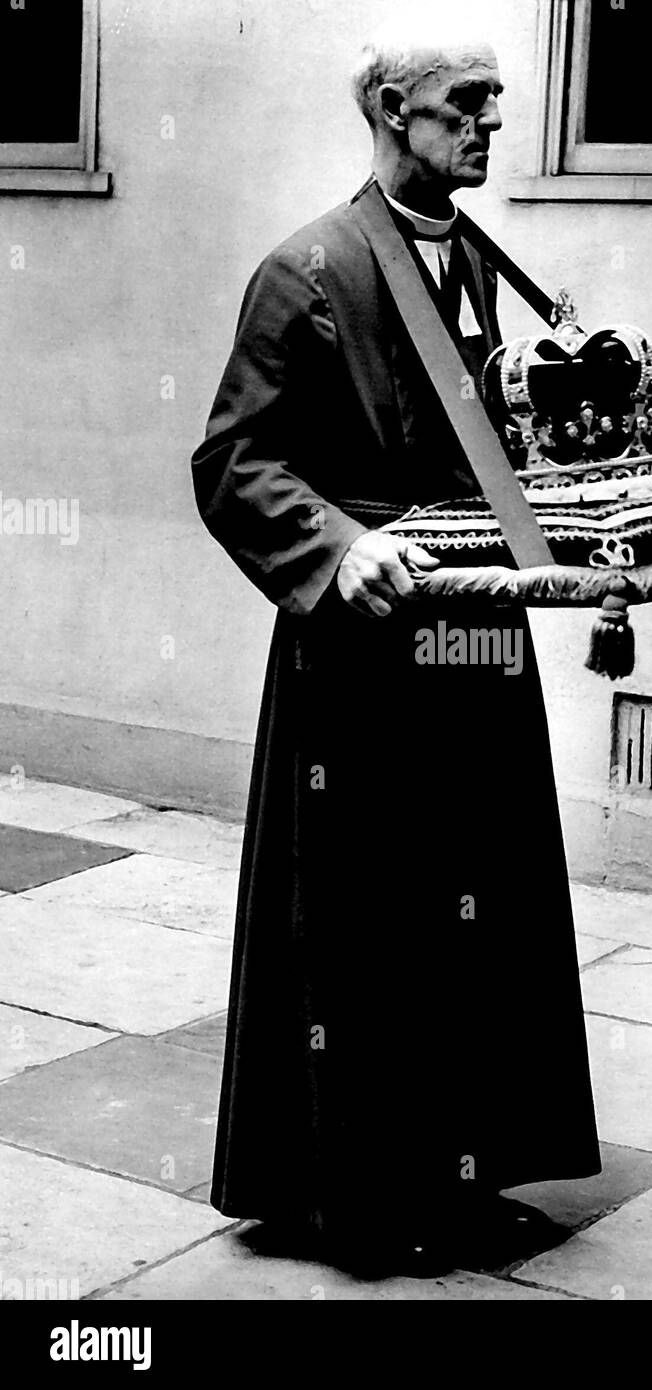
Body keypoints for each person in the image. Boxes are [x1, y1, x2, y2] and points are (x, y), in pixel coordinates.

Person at [191, 13, 600, 1277]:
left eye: (492, 101)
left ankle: (463, 1177)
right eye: (464, 102)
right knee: (367, 927)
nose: (488, 124)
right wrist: (330, 549)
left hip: (474, 639)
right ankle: (347, 1197)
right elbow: (232, 462)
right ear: (387, 111)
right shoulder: (306, 270)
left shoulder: (481, 265)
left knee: (479, 918)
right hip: (361, 655)